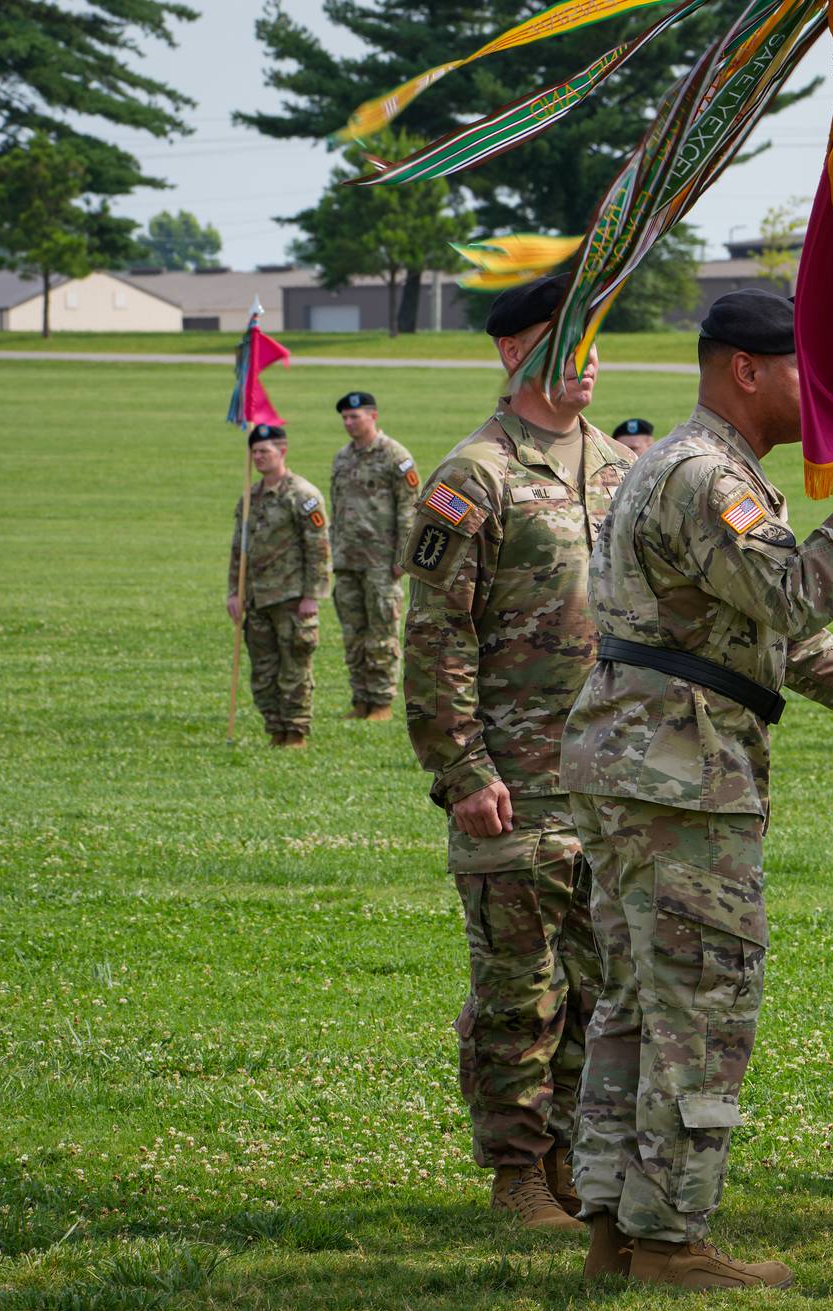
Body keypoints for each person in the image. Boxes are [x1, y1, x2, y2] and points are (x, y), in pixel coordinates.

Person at [561, 289, 833, 1291]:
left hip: (649, 765)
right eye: (801, 369)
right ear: (746, 369)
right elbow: (792, 594)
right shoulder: (705, 478)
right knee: (700, 1005)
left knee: (637, 1006)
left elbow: (784, 640)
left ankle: (615, 1225)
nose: (818, 390)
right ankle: (671, 1240)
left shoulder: (710, 473)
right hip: (677, 779)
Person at [401, 275, 638, 1232]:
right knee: (518, 990)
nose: (586, 358)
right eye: (563, 340)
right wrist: (463, 770)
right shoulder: (472, 477)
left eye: (592, 339)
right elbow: (435, 639)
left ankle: (577, 1164)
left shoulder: (622, 467)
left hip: (608, 779)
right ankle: (518, 1173)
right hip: (514, 784)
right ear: (511, 354)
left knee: (601, 986)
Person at [227, 423, 330, 747]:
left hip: (290, 596)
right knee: (264, 671)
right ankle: (275, 728)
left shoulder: (302, 496)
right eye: (254, 452)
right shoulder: (250, 496)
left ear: (282, 452)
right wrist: (234, 591)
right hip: (258, 598)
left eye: (265, 451)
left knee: (294, 668)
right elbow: (238, 549)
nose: (258, 457)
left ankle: (296, 731)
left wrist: (312, 595)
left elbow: (318, 548)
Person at [329, 390, 418, 721]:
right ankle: (361, 699)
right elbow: (337, 509)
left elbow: (409, 510)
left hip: (380, 561)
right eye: (345, 418)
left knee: (381, 633)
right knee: (354, 634)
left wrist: (402, 557)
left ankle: (381, 701)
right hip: (347, 559)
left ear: (373, 416)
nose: (350, 423)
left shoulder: (395, 457)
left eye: (356, 416)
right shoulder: (342, 457)